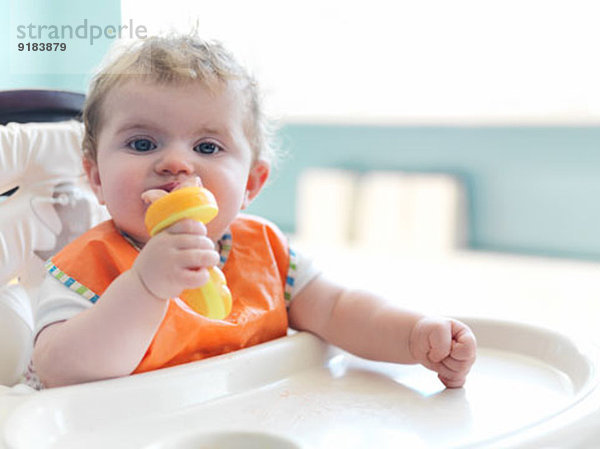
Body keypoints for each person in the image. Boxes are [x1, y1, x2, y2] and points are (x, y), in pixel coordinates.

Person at [31, 33, 476, 389]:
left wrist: (415, 336)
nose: (175, 163)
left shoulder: (267, 253)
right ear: (96, 179)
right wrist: (145, 288)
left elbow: (342, 310)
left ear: (250, 184)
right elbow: (61, 370)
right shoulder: (83, 268)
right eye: (142, 143)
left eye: (207, 146)